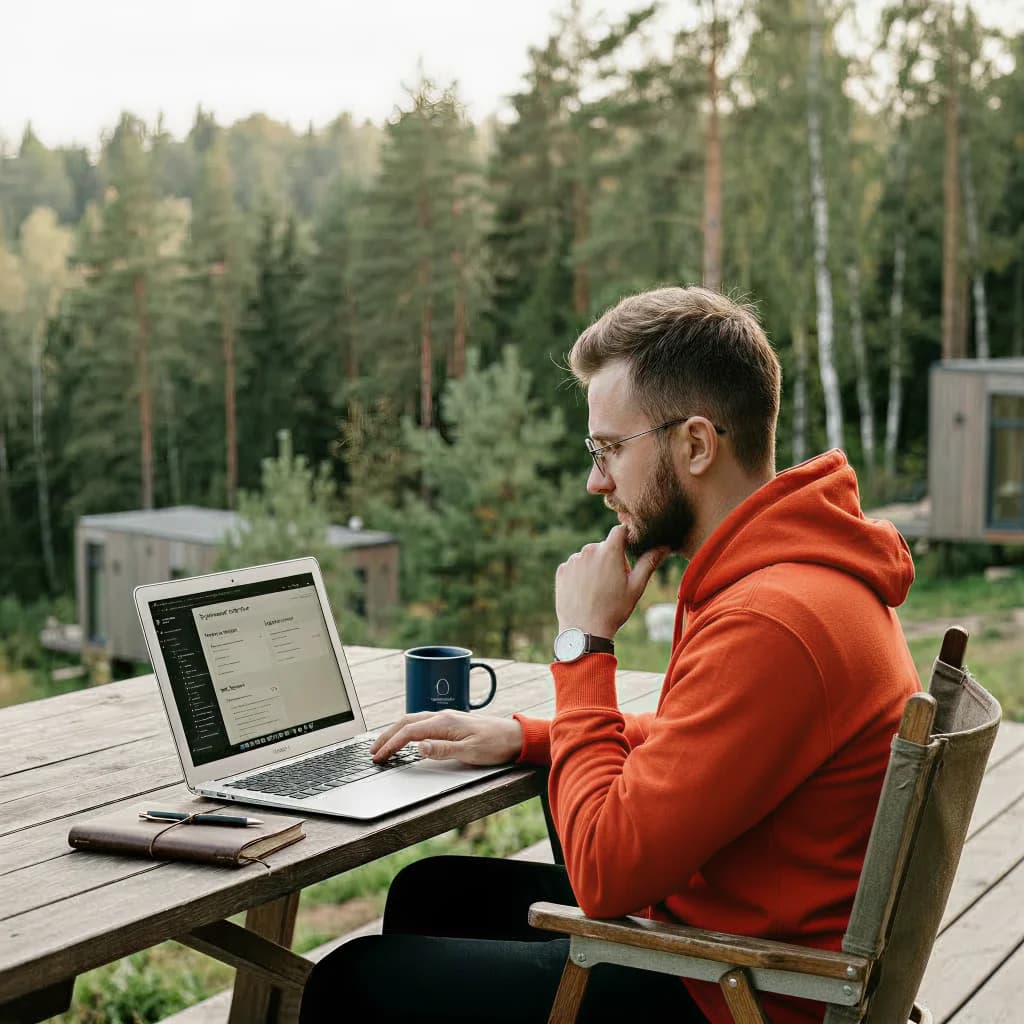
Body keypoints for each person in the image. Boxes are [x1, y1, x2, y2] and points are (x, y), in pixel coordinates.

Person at [299, 287, 919, 1024]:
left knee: (353, 982)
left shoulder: (772, 620)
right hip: (731, 947)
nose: (597, 481)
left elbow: (603, 872)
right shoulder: (795, 579)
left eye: (609, 450)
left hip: (735, 992)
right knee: (433, 893)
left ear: (695, 443)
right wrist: (533, 736)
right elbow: (704, 751)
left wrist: (584, 645)